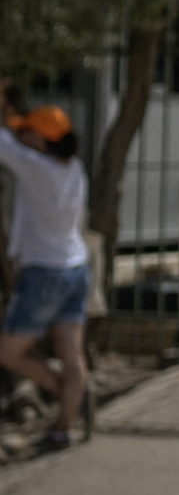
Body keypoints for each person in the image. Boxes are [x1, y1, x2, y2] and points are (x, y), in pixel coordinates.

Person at [0, 82, 93, 455]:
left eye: (27, 132)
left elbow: (3, 145)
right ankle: (64, 426)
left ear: (41, 139)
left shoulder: (38, 169)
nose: (21, 136)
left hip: (45, 274)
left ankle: (65, 393)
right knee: (72, 352)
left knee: (8, 353)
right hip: (76, 269)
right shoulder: (74, 170)